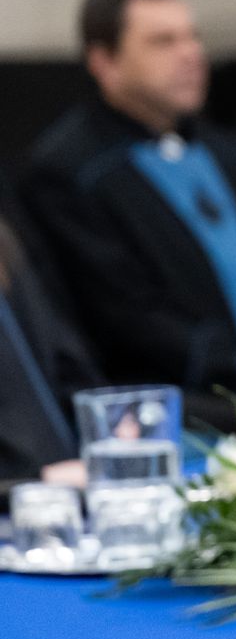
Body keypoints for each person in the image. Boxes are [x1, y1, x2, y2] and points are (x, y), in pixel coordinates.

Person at [23, 0, 236, 434]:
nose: (191, 54)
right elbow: (123, 315)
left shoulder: (234, 154)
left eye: (192, 36)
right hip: (181, 414)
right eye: (163, 42)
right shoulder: (69, 173)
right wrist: (232, 363)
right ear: (105, 61)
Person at [0, 176, 101, 487]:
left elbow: (63, 361)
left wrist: (108, 421)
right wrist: (32, 481)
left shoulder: (6, 243)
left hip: (69, 487)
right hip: (28, 496)